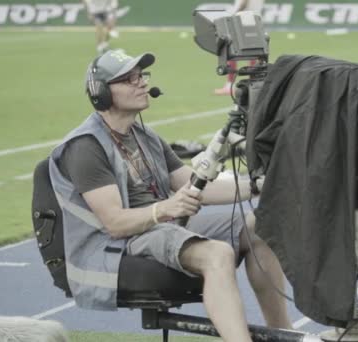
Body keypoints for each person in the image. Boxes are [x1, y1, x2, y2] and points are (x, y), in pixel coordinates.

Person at [49, 49, 292, 342]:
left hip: (157, 227)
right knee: (218, 253)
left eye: (141, 76)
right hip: (117, 244)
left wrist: (258, 186)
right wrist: (166, 208)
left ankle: (283, 333)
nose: (140, 83)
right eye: (128, 79)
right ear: (100, 92)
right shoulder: (86, 147)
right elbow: (114, 223)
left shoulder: (145, 136)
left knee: (260, 226)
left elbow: (194, 185)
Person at [214, 0, 265, 95]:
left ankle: (230, 85)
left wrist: (233, 15)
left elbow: (244, 2)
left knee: (232, 49)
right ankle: (253, 84)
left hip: (241, 19)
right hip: (255, 19)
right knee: (254, 52)